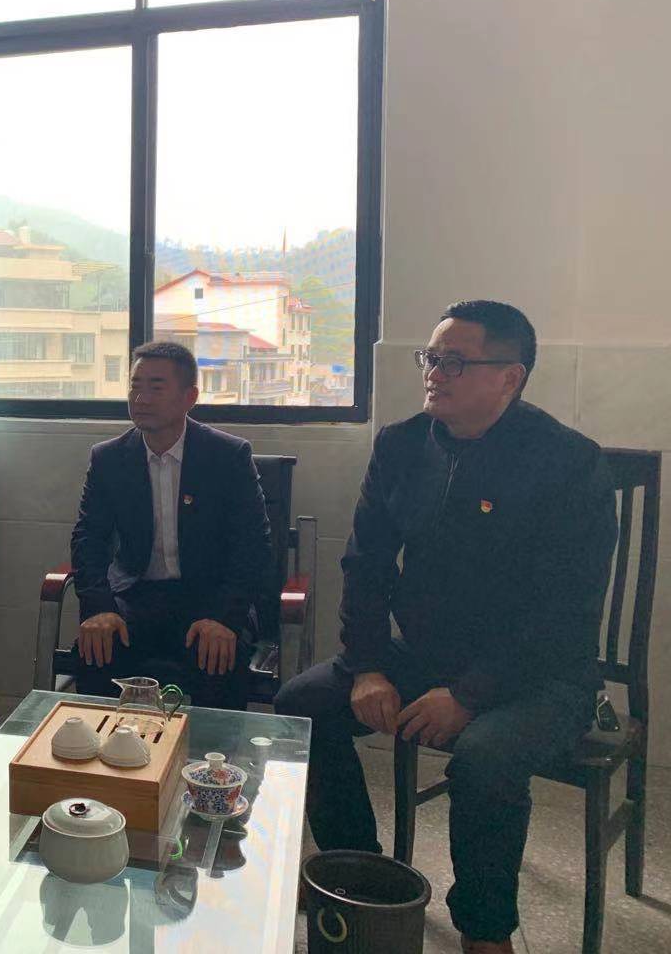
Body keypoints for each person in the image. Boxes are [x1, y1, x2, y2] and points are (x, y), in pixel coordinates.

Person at [274, 301, 617, 954]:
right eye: (431, 358)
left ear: (509, 378)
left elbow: (564, 610)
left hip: (541, 675)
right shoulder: (403, 445)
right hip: (426, 654)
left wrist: (469, 694)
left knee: (484, 759)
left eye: (455, 362)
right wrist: (368, 666)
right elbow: (366, 565)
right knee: (300, 706)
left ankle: (484, 931)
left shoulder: (568, 462)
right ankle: (359, 874)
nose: (434, 373)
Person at [69, 341, 273, 710]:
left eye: (156, 387)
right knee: (95, 648)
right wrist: (99, 606)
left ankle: (213, 749)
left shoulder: (228, 457)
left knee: (218, 660)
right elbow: (88, 539)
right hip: (136, 595)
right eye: (135, 386)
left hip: (210, 598)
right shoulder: (109, 458)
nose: (141, 398)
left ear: (189, 397)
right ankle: (106, 746)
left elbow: (253, 546)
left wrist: (225, 618)